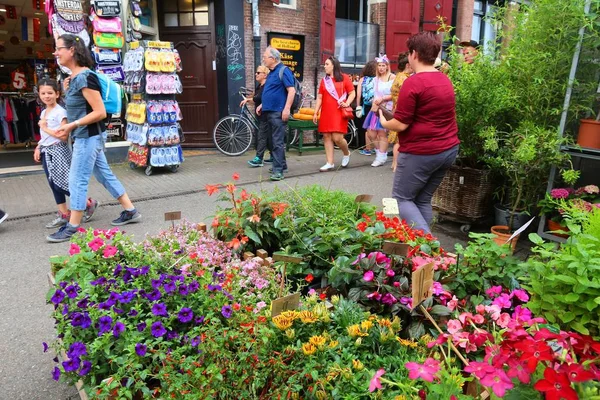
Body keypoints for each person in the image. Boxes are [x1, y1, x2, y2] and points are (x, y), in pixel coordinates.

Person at [47, 34, 141, 243]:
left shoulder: (85, 77)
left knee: (76, 180)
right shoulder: (75, 78)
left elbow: (98, 112)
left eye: (58, 48)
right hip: (89, 136)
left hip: (88, 137)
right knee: (103, 175)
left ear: (72, 50)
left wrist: (73, 125)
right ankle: (131, 211)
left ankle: (72, 226)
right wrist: (66, 91)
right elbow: (80, 107)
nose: (56, 52)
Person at [377, 31, 460, 233]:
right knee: (422, 199)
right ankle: (423, 255)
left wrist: (383, 121)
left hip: (422, 152)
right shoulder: (444, 80)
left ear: (414, 54)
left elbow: (401, 124)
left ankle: (430, 252)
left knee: (401, 199)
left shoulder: (413, 82)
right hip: (448, 149)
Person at [34, 78, 99, 229]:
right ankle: (63, 213)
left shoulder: (60, 112)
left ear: (57, 94)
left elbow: (64, 136)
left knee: (63, 183)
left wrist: (45, 128)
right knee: (53, 184)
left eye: (50, 93)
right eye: (43, 93)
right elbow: (45, 136)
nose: (46, 96)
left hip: (58, 151)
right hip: (46, 150)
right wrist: (38, 147)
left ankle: (88, 203)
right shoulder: (44, 111)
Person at [256, 46, 296, 181]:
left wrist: (286, 109)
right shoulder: (272, 72)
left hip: (278, 112)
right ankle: (282, 165)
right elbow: (271, 92)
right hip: (269, 111)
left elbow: (291, 91)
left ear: (272, 58)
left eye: (265, 57)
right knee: (273, 141)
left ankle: (278, 171)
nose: (263, 59)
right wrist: (262, 104)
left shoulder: (283, 71)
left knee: (277, 141)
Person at [312, 56, 355, 172]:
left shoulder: (344, 78)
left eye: (327, 64)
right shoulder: (324, 81)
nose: (324, 66)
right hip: (326, 111)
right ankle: (329, 162)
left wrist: (347, 103)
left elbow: (352, 93)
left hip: (338, 111)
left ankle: (346, 153)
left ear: (333, 65)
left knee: (337, 138)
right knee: (326, 136)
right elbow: (320, 97)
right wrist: (316, 112)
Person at [363, 55, 395, 167]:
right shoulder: (375, 79)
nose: (381, 68)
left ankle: (380, 157)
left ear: (387, 66)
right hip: (375, 108)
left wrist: (384, 98)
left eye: (383, 65)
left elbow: (395, 94)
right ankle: (380, 152)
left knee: (382, 132)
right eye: (379, 65)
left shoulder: (392, 77)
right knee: (371, 132)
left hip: (386, 108)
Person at [388, 52, 413, 172]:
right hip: (401, 109)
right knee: (399, 140)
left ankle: (394, 164)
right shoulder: (405, 78)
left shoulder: (398, 76)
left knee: (397, 139)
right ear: (408, 65)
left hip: (396, 108)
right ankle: (396, 165)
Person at [245, 65, 273, 167]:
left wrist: (248, 100)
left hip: (266, 115)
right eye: (256, 72)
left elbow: (261, 98)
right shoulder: (259, 86)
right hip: (261, 115)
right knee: (267, 136)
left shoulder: (266, 86)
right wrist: (248, 99)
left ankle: (259, 158)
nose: (256, 74)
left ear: (265, 75)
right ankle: (273, 155)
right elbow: (256, 98)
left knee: (261, 136)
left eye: (258, 73)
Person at [355, 61, 377, 155]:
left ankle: (368, 149)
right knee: (375, 127)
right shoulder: (378, 79)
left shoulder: (362, 79)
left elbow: (359, 95)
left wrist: (358, 106)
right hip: (376, 105)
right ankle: (376, 148)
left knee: (367, 127)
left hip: (366, 105)